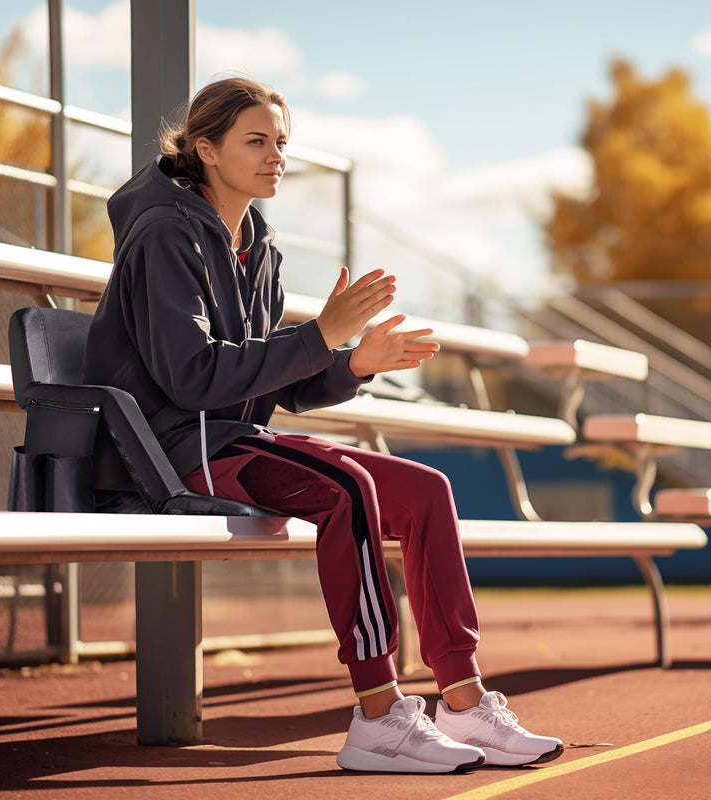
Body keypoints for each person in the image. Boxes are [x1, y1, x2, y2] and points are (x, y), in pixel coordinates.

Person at [83, 76, 564, 774]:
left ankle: (463, 701)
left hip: (234, 439)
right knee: (347, 490)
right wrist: (319, 336)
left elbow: (282, 381)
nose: (276, 155)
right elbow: (190, 377)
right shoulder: (163, 231)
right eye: (257, 141)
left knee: (426, 489)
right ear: (205, 149)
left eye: (282, 141)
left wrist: (351, 360)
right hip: (170, 446)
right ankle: (377, 716)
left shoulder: (258, 241)